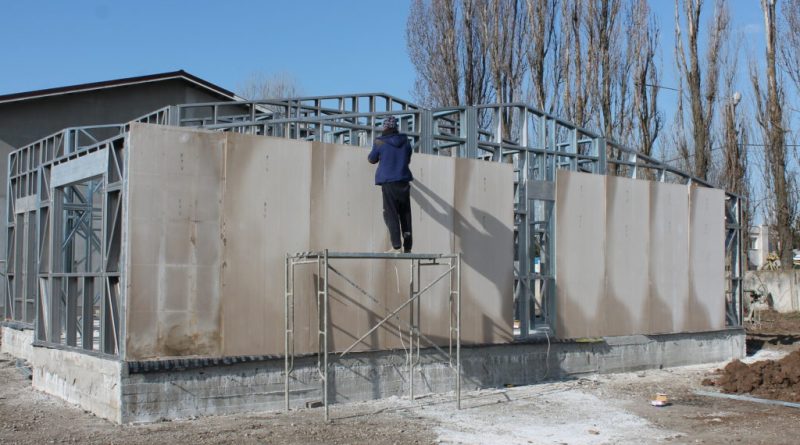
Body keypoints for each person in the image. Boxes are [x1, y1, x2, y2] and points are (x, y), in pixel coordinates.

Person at [368, 116, 413, 253]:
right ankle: (408, 247)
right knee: (405, 214)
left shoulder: (380, 142)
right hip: (403, 180)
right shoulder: (405, 141)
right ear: (396, 127)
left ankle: (396, 245)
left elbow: (371, 159)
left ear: (385, 127)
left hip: (388, 181)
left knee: (391, 213)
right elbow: (408, 158)